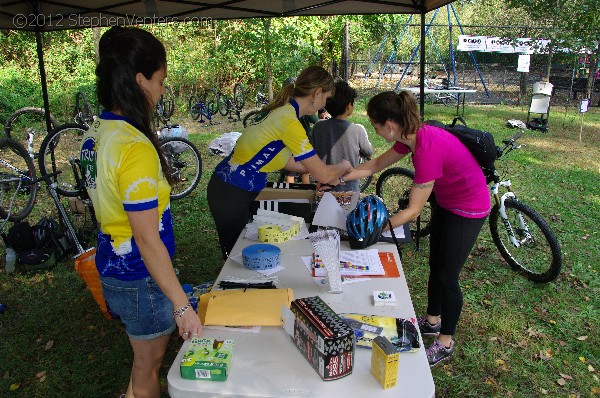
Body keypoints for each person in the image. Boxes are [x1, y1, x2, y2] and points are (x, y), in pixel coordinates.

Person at [80, 26, 202, 398]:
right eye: (161, 81)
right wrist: (182, 307)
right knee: (149, 368)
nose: (162, 91)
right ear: (139, 80)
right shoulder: (135, 147)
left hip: (113, 267)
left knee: (141, 361)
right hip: (139, 277)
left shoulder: (94, 132)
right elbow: (147, 239)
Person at [340, 91, 490, 367]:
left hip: (469, 207)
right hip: (448, 202)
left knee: (448, 276)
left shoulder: (426, 148)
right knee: (436, 265)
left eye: (375, 126)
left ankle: (445, 343)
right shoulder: (408, 139)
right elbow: (374, 165)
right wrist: (340, 176)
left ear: (389, 125)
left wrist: (376, 229)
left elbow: (412, 211)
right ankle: (432, 321)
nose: (374, 131)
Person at [207, 65, 353, 259]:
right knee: (237, 257)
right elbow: (322, 174)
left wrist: (326, 172)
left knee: (244, 253)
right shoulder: (289, 122)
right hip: (230, 192)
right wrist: (343, 165)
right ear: (317, 93)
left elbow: (287, 161)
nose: (324, 106)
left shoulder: (284, 112)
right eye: (325, 99)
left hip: (232, 189)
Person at [310, 80, 374, 192]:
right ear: (349, 106)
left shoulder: (318, 127)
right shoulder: (358, 130)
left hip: (323, 186)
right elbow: (369, 152)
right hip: (349, 189)